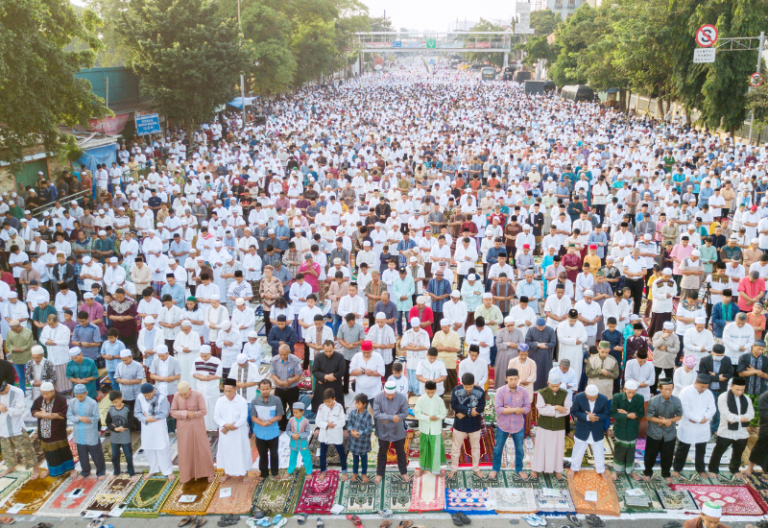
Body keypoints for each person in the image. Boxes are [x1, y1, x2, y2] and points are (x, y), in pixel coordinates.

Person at [707, 376, 753, 479]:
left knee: (738, 452)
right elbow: (726, 414)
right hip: (726, 431)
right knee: (719, 451)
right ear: (731, 386)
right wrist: (741, 418)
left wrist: (736, 418)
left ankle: (734, 468)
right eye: (737, 389)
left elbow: (751, 414)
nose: (740, 392)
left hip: (742, 432)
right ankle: (713, 469)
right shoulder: (723, 397)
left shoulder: (747, 399)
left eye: (742, 390)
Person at [489, 368, 530, 480]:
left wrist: (510, 409)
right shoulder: (500, 391)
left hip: (518, 425)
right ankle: (495, 469)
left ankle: (519, 469)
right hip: (503, 425)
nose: (513, 382)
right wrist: (515, 409)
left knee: (519, 449)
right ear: (506, 379)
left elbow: (527, 408)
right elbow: (498, 409)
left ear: (518, 379)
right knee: (498, 448)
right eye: (511, 379)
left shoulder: (523, 392)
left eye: (515, 379)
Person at [673, 374, 717, 479]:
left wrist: (705, 418)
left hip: (703, 426)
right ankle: (677, 469)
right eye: (702, 386)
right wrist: (698, 419)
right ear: (696, 383)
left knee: (701, 449)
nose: (704, 389)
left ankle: (700, 469)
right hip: (688, 424)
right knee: (683, 448)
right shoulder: (685, 392)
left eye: (706, 387)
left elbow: (712, 408)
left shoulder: (708, 393)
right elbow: (685, 409)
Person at [171, 381, 216, 483]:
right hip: (183, 428)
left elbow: (203, 411)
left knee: (202, 448)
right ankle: (187, 475)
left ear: (190, 390)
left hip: (197, 426)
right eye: (181, 395)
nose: (183, 396)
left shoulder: (198, 395)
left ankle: (208, 473)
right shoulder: (176, 396)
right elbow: (173, 412)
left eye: (185, 394)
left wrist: (193, 414)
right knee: (185, 450)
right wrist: (186, 413)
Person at [530, 370, 572, 479]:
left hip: (559, 426)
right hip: (544, 425)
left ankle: (557, 470)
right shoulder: (542, 393)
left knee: (557, 448)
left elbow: (567, 410)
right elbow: (541, 410)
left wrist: (549, 408)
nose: (555, 388)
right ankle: (536, 469)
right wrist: (556, 407)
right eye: (553, 386)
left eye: (557, 386)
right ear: (548, 383)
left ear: (560, 384)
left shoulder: (564, 394)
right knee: (541, 448)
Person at [30, 381, 75, 477]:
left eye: (46, 394)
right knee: (49, 453)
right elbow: (33, 411)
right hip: (44, 432)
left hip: (58, 432)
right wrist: (43, 415)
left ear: (53, 391)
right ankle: (51, 469)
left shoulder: (60, 399)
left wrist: (50, 415)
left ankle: (71, 469)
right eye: (43, 393)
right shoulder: (39, 400)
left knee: (63, 450)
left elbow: (63, 414)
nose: (44, 396)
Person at [643, 378, 683, 483]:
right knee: (650, 455)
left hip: (669, 433)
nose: (668, 391)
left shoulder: (676, 400)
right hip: (654, 432)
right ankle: (648, 472)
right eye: (666, 389)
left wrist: (670, 421)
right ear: (660, 389)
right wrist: (663, 421)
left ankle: (666, 473)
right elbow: (649, 416)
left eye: (670, 389)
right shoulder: (654, 400)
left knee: (668, 455)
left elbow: (679, 415)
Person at [568, 384, 611, 479]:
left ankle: (601, 470)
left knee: (599, 451)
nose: (592, 399)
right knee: (578, 450)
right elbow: (575, 412)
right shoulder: (578, 397)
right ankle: (574, 468)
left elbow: (606, 413)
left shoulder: (603, 399)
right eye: (590, 398)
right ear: (585, 393)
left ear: (598, 393)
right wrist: (587, 417)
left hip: (597, 429)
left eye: (594, 398)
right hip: (582, 428)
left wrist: (596, 417)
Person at [0, 381, 41, 479]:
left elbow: (19, 410)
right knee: (6, 449)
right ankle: (11, 467)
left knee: (26, 449)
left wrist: (6, 409)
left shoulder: (17, 392)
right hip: (2, 426)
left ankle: (36, 468)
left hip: (16, 426)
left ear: (6, 387)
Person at [449, 372, 486, 479]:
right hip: (460, 424)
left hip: (474, 424)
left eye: (470, 386)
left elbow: (481, 407)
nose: (468, 389)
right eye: (466, 387)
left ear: (474, 383)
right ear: (462, 383)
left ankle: (476, 468)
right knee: (456, 448)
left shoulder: (480, 391)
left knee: (475, 447)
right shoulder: (456, 390)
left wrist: (464, 413)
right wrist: (470, 411)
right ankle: (453, 469)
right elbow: (454, 405)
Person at [372, 381, 410, 484]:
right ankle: (380, 473)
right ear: (384, 391)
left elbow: (405, 413)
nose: (389, 396)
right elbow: (376, 414)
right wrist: (392, 418)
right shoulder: (378, 397)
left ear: (395, 392)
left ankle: (403, 472)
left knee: (400, 452)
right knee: (382, 452)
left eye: (392, 395)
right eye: (387, 394)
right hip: (383, 429)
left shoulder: (401, 397)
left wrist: (386, 418)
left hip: (397, 429)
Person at [134, 382, 173, 479]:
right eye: (145, 395)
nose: (146, 397)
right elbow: (137, 412)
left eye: (148, 395)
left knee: (162, 448)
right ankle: (153, 469)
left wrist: (153, 418)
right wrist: (146, 419)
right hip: (146, 427)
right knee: (149, 448)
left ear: (153, 391)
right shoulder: (140, 397)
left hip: (159, 427)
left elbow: (164, 413)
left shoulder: (162, 398)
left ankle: (168, 470)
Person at [67, 383, 106, 479]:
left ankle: (101, 472)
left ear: (86, 393)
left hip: (91, 431)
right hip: (79, 431)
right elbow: (69, 415)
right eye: (77, 396)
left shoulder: (92, 402)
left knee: (96, 454)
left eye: (81, 396)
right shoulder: (72, 402)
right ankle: (85, 471)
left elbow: (96, 417)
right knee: (82, 454)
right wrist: (80, 418)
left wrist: (88, 420)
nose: (79, 398)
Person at [609, 380, 645, 481]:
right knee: (619, 450)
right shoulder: (617, 397)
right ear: (624, 390)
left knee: (631, 450)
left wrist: (633, 415)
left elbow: (641, 413)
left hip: (633, 428)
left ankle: (630, 470)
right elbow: (612, 413)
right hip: (620, 428)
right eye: (629, 392)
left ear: (636, 391)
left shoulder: (639, 398)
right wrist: (627, 416)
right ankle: (616, 470)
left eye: (633, 392)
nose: (631, 395)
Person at [249, 379, 281, 481]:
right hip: (260, 433)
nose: (265, 391)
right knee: (262, 454)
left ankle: (275, 472)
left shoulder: (276, 400)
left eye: (267, 389)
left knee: (274, 454)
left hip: (273, 433)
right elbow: (253, 417)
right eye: (263, 389)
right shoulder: (254, 401)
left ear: (271, 388)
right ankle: (264, 473)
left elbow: (279, 416)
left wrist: (269, 422)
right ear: (259, 389)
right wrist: (262, 423)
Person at [413, 379, 447, 477]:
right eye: (428, 392)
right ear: (425, 390)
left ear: (435, 390)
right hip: (424, 429)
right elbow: (417, 413)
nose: (430, 394)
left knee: (435, 450)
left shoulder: (439, 400)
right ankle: (422, 469)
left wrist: (436, 417)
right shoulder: (421, 400)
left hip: (436, 429)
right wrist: (428, 417)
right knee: (424, 449)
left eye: (432, 392)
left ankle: (436, 470)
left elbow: (443, 413)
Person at [316, 387, 348, 481]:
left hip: (336, 434)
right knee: (322, 454)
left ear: (334, 399)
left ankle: (344, 471)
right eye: (325, 401)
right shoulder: (321, 407)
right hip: (324, 435)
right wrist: (326, 425)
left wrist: (333, 425)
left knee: (341, 453)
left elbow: (342, 421)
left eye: (329, 401)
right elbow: (318, 421)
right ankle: (323, 471)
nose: (327, 404)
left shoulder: (339, 407)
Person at [105, 390, 136, 478]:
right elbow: (107, 422)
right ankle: (116, 472)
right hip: (115, 437)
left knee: (128, 456)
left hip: (125, 436)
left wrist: (123, 428)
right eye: (113, 402)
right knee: (115, 456)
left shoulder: (127, 409)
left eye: (116, 402)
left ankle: (131, 473)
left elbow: (131, 422)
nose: (115, 404)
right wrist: (115, 429)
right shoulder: (111, 409)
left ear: (121, 399)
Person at [192, 345, 222, 432]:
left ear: (210, 353)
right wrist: (201, 377)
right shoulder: (197, 360)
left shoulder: (217, 361)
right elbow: (194, 373)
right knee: (202, 408)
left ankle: (214, 427)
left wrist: (208, 378)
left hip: (212, 389)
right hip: (201, 389)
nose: (203, 358)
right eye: (201, 356)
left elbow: (218, 375)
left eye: (205, 356)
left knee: (213, 408)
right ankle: (204, 427)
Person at [311, 340, 346, 412]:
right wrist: (325, 377)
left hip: (335, 384)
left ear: (334, 348)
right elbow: (314, 371)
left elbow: (342, 371)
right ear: (323, 349)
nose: (328, 353)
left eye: (330, 351)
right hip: (322, 384)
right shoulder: (318, 357)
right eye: (326, 351)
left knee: (337, 407)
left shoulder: (340, 357)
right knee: (320, 408)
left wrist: (333, 376)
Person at [346, 393, 373, 482]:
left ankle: (364, 474)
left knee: (364, 459)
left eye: (359, 403)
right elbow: (349, 423)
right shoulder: (353, 413)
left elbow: (369, 429)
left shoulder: (368, 416)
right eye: (356, 403)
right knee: (355, 458)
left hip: (363, 443)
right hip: (354, 442)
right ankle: (355, 472)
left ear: (364, 404)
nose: (356, 405)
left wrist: (359, 433)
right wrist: (351, 431)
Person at [525, 317, 557, 390]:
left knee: (545, 373)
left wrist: (545, 345)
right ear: (536, 324)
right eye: (539, 327)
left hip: (546, 357)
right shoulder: (531, 330)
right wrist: (538, 345)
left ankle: (545, 390)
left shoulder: (550, 330)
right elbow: (527, 342)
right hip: (533, 356)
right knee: (534, 372)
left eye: (542, 327)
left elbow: (553, 343)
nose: (540, 329)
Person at [557, 309, 588, 382]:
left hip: (576, 353)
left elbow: (584, 337)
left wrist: (570, 339)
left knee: (576, 369)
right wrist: (575, 341)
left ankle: (575, 386)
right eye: (571, 320)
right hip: (565, 352)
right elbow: (561, 339)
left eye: (574, 321)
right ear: (567, 317)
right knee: (564, 369)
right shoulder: (561, 325)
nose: (573, 322)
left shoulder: (580, 325)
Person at [5, 319, 33, 395]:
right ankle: (22, 392)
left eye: (15, 330)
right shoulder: (9, 332)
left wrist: (21, 349)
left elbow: (29, 344)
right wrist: (14, 349)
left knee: (30, 376)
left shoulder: (28, 332)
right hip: (16, 358)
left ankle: (34, 392)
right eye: (12, 330)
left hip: (27, 357)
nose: (14, 331)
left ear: (19, 326)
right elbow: (8, 344)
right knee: (20, 376)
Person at [286, 401, 312, 476]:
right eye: (293, 412)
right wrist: (292, 435)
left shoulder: (305, 421)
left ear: (302, 412)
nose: (295, 414)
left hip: (303, 444)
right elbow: (288, 430)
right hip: (293, 443)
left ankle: (309, 472)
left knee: (306, 458)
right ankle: (290, 471)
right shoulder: (291, 420)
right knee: (292, 457)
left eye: (296, 412)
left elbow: (307, 432)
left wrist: (300, 436)